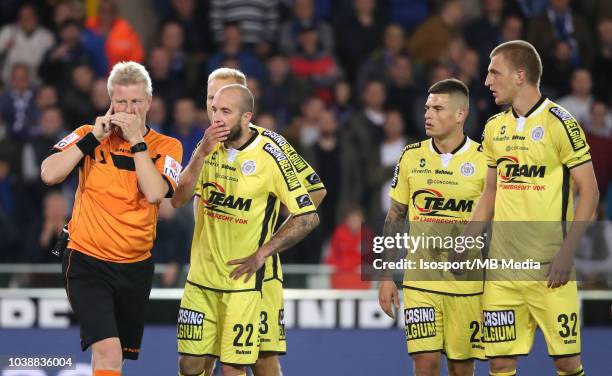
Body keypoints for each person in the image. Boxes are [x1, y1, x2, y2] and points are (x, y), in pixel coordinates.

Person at [173, 67, 325, 376]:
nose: (215, 109)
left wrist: (266, 242)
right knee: (198, 360)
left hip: (257, 275)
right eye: (210, 100)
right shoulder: (207, 144)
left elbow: (315, 193)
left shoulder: (272, 146)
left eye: (224, 102)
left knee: (260, 360)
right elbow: (182, 197)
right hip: (208, 268)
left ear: (245, 109)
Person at [40, 61, 183, 376]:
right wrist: (92, 138)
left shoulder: (168, 146)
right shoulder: (86, 135)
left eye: (135, 102)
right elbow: (49, 174)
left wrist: (137, 142)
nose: (128, 109)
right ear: (110, 102)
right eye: (121, 101)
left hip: (135, 267)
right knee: (108, 351)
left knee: (109, 359)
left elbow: (155, 193)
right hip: (86, 260)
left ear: (148, 102)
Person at [468, 40, 598, 376]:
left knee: (567, 362)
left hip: (550, 270)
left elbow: (590, 192)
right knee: (499, 362)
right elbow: (490, 193)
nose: (487, 81)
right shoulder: (494, 128)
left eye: (494, 72)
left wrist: (568, 253)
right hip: (502, 271)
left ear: (520, 75)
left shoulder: (561, 122)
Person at [378, 79, 487, 376]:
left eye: (438, 108)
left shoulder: (484, 160)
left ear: (460, 114)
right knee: (425, 364)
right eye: (427, 108)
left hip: (467, 283)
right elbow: (395, 216)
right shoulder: (411, 156)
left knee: (461, 368)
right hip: (420, 281)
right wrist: (386, 275)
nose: (428, 114)